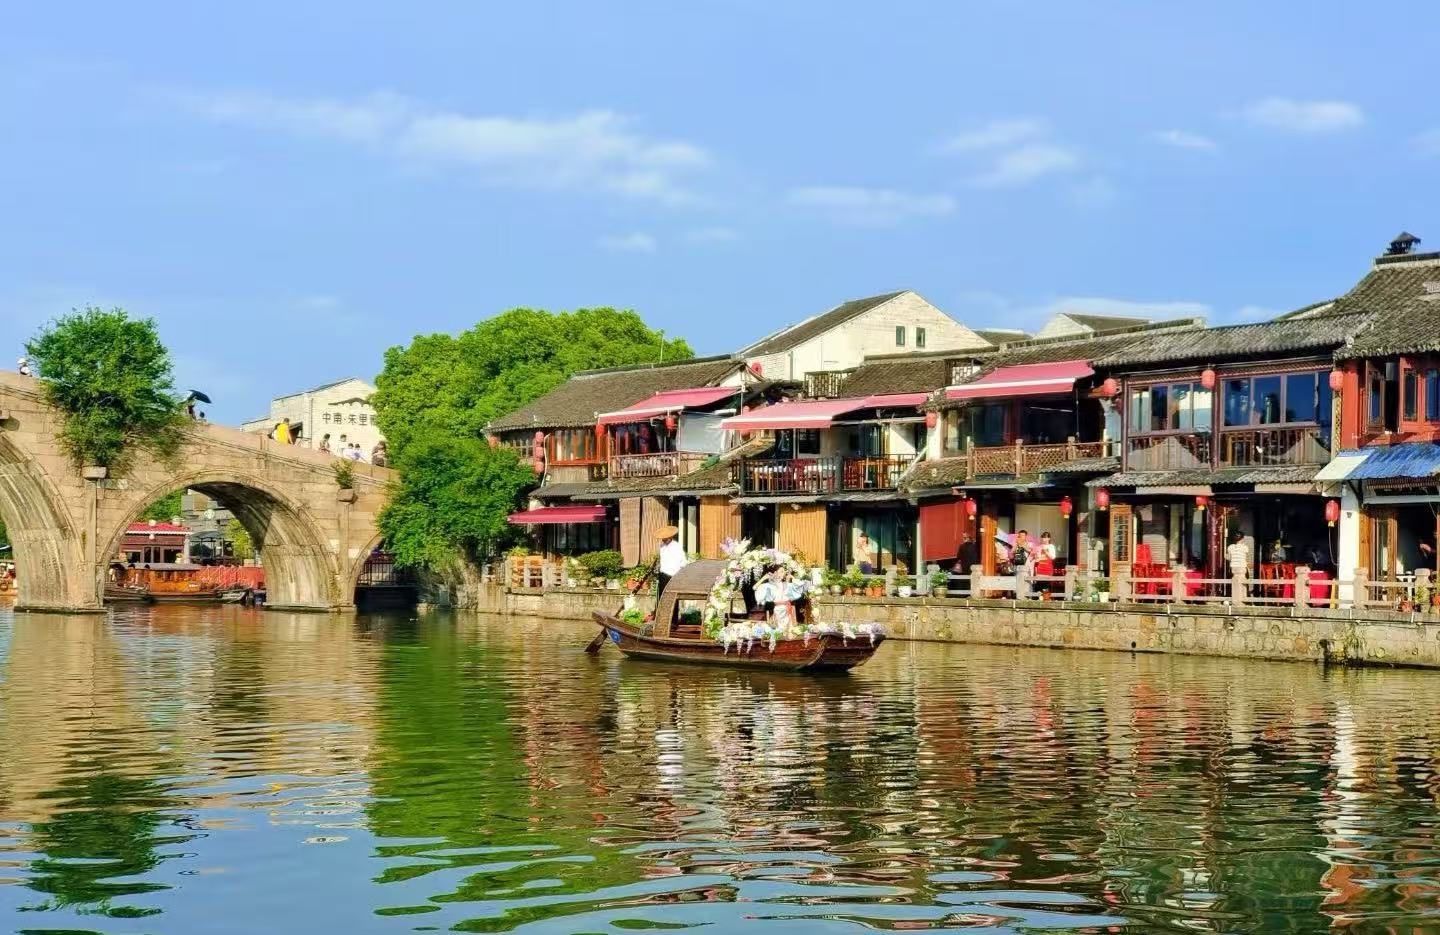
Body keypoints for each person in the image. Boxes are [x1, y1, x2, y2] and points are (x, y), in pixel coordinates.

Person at [655, 525, 688, 601]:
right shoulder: (662, 546)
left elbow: (683, 562)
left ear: (670, 537)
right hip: (663, 574)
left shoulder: (677, 546)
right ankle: (661, 612)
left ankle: (673, 613)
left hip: (673, 575)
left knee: (672, 598)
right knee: (661, 597)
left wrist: (680, 574)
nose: (663, 539)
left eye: (665, 538)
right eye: (663, 538)